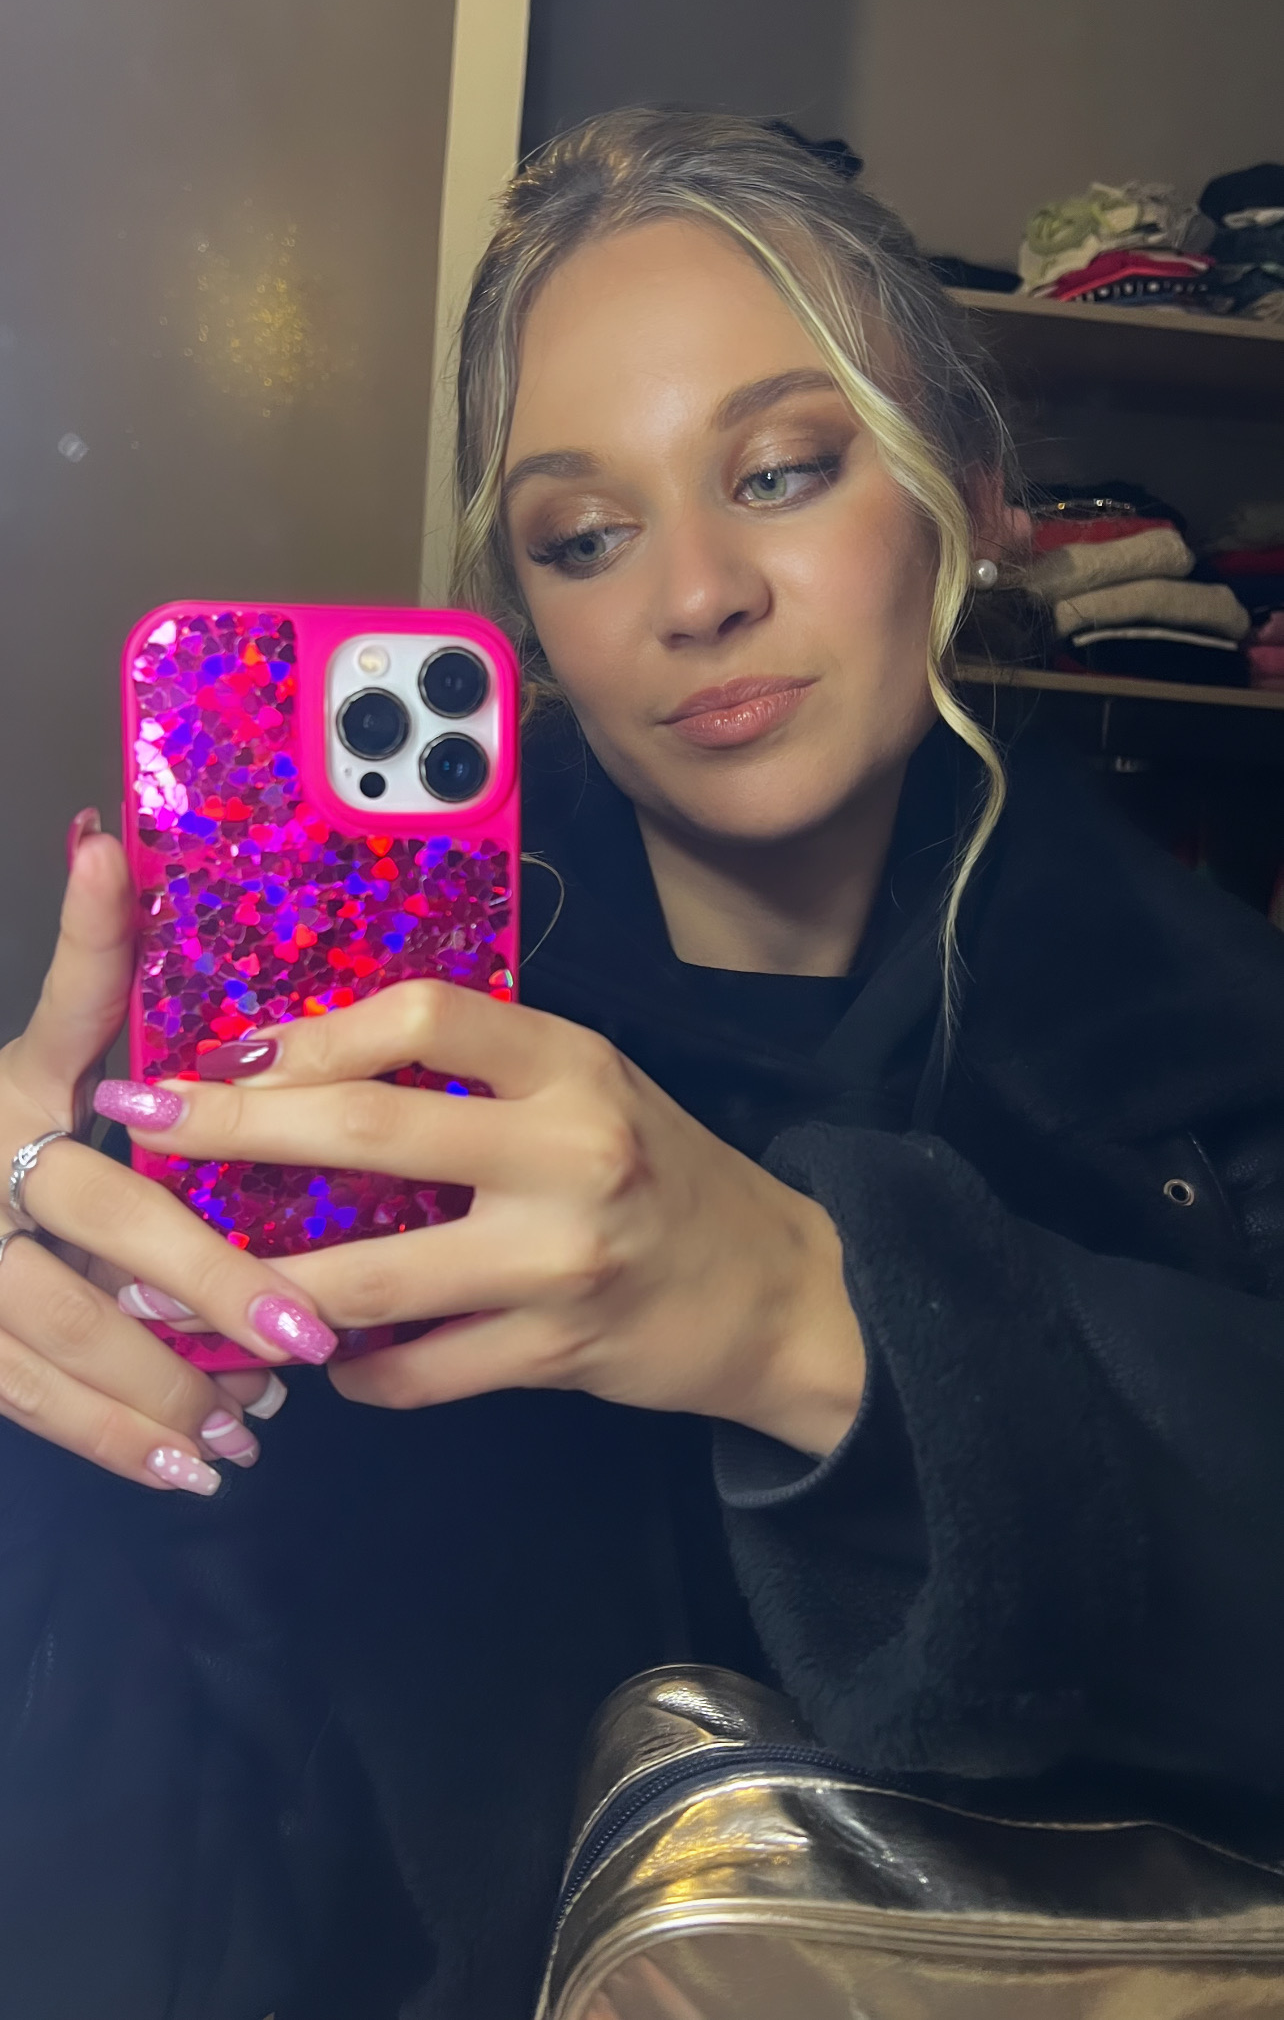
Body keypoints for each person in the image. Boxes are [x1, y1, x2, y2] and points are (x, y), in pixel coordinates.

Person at [1, 108, 1283, 2020]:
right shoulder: (329, 1064)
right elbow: (160, 1816)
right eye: (584, 537)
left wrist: (811, 1320)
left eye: (779, 470)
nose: (693, 595)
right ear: (532, 614)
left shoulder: (1210, 1040)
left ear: (969, 494)